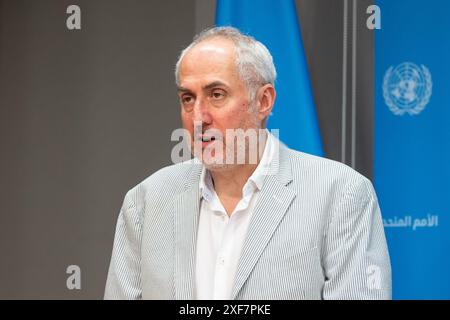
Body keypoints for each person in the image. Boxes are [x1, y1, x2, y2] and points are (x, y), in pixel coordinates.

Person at [104, 26, 391, 300]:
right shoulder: (145, 202)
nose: (198, 117)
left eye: (217, 94)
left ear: (263, 101)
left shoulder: (341, 194)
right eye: (188, 98)